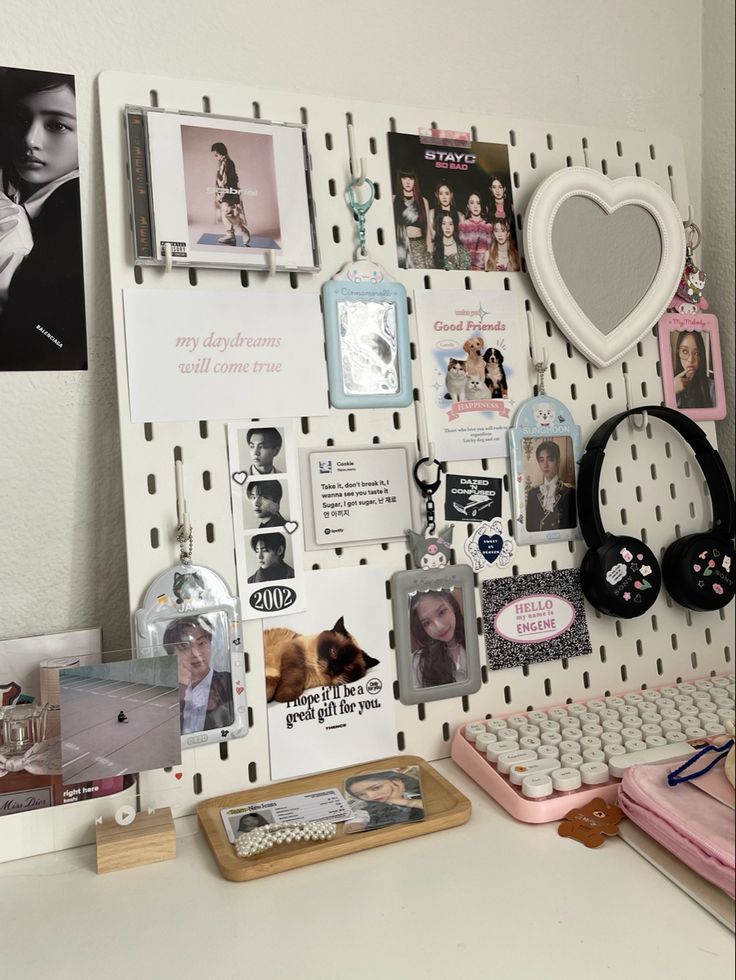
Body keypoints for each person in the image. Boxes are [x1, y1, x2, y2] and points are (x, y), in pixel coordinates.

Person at [0, 68, 87, 370]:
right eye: (21, 119)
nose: (30, 139)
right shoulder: (13, 191)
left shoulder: (73, 219)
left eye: (57, 125)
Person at [162, 616, 233, 734]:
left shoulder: (230, 683)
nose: (195, 653)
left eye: (201, 643)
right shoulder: (165, 695)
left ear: (210, 644)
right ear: (171, 655)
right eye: (184, 647)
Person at [409, 590, 467, 688]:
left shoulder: (478, 640)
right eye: (427, 623)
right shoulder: (418, 662)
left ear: (452, 605)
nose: (439, 627)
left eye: (441, 613)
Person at [345, 770, 425, 829]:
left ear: (396, 781)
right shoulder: (364, 812)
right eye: (360, 794)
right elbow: (352, 827)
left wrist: (400, 801)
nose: (371, 796)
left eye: (376, 788)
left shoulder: (421, 789)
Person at [525, 440, 576, 532]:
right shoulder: (532, 494)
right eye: (541, 460)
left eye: (550, 459)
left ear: (558, 461)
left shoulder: (569, 493)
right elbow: (529, 527)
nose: (545, 465)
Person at [211, 140, 250, 246]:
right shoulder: (223, 162)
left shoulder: (228, 163)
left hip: (229, 192)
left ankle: (243, 231)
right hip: (224, 192)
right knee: (224, 213)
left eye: (216, 154)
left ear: (220, 153)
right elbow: (220, 180)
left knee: (230, 213)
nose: (215, 157)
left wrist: (225, 193)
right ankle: (230, 235)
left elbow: (229, 180)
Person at [392, 168, 431, 269]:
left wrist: (429, 252)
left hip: (419, 247)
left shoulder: (423, 201)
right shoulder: (393, 199)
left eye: (411, 178)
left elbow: (428, 231)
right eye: (404, 178)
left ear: (415, 181)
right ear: (400, 180)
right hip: (399, 247)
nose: (408, 182)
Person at [672, 330, 715, 409]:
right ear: (678, 353)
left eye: (696, 353)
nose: (691, 360)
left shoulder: (712, 387)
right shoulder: (667, 385)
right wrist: (671, 390)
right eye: (685, 351)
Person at [458, 193, 492, 272]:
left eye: (478, 203)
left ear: (481, 205)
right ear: (468, 206)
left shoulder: (488, 226)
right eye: (472, 203)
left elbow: (491, 251)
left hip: (484, 269)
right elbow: (460, 250)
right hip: (466, 269)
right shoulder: (463, 225)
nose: (475, 206)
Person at [428, 181, 462, 247]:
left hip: (454, 251)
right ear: (437, 195)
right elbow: (430, 237)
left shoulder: (459, 216)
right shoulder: (431, 214)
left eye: (446, 193)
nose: (444, 197)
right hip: (437, 250)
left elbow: (461, 239)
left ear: (451, 195)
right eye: (441, 193)